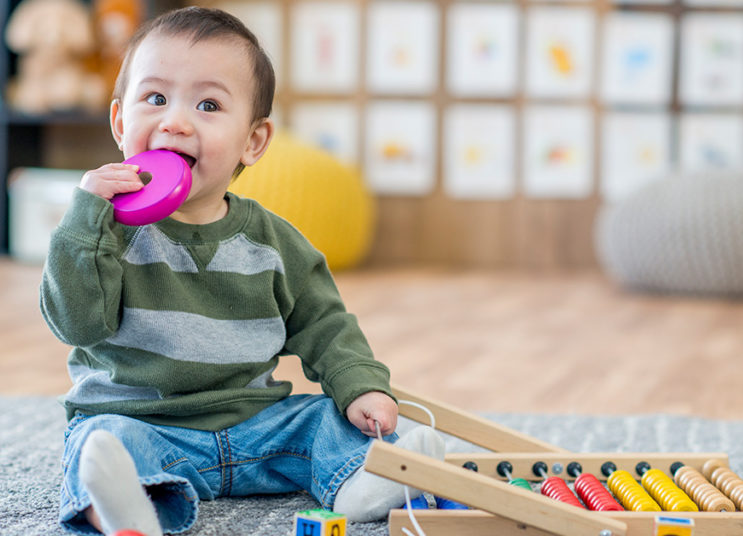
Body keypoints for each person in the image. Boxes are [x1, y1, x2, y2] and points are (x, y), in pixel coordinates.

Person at [39, 7, 444, 535]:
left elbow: (326, 325)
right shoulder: (103, 233)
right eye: (155, 99)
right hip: (148, 423)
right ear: (120, 122)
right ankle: (125, 507)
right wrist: (85, 221)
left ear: (252, 142)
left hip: (256, 424)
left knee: (321, 420)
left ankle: (372, 478)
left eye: (208, 105)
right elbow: (76, 325)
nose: (175, 121)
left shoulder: (275, 243)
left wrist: (361, 386)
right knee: (104, 441)